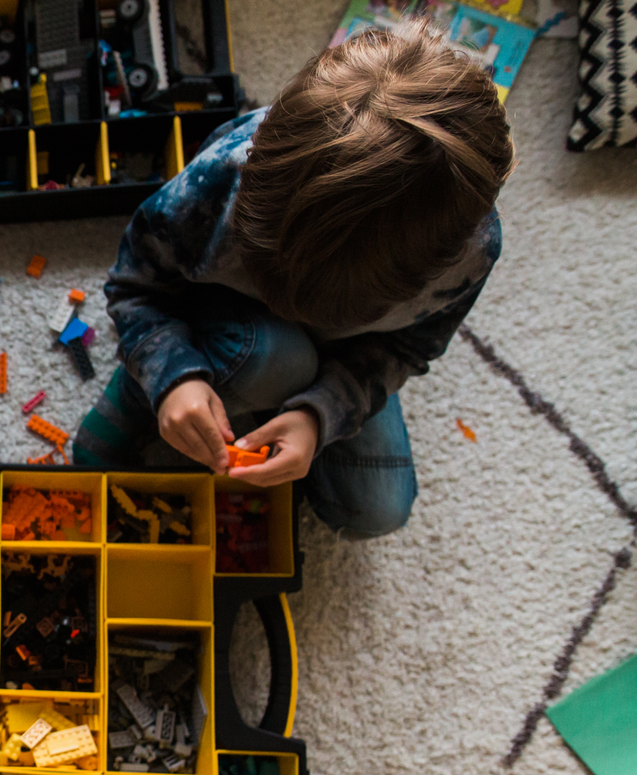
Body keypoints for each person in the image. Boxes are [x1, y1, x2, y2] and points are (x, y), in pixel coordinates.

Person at [73, 25, 514, 538]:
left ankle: (285, 394)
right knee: (270, 358)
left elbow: (406, 350)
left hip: (348, 354)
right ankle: (153, 386)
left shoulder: (469, 253)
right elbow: (135, 286)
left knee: (377, 511)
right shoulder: (221, 179)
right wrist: (172, 377)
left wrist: (319, 416)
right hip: (230, 322)